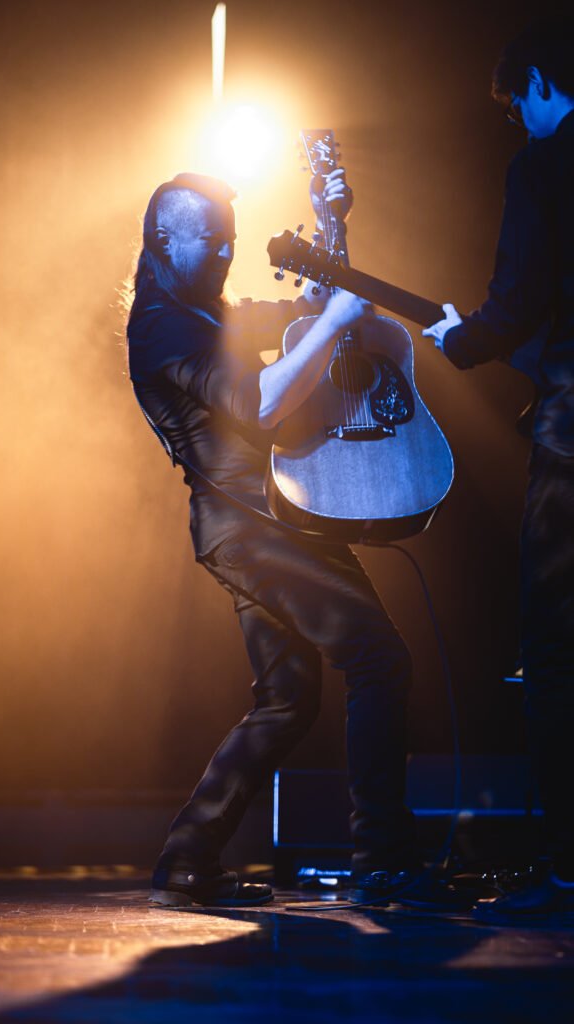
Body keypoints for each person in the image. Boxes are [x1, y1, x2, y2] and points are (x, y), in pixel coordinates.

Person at [126, 166, 468, 911]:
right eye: (211, 240)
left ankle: (186, 859)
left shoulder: (210, 312)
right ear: (164, 239)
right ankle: (383, 859)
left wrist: (329, 224)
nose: (226, 254)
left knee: (287, 700)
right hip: (251, 529)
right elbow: (260, 405)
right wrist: (334, 322)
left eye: (231, 240)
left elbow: (311, 307)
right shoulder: (162, 326)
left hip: (271, 522)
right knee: (379, 660)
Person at [423, 17, 574, 920]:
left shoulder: (543, 165)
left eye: (518, 104)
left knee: (552, 652)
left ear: (540, 84)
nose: (519, 121)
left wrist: (463, 339)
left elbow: (514, 304)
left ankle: (568, 869)